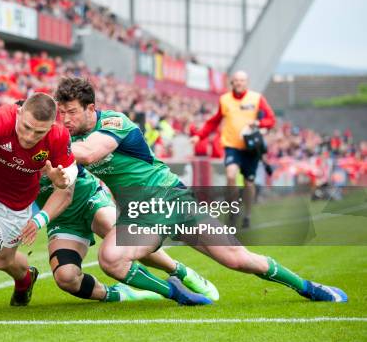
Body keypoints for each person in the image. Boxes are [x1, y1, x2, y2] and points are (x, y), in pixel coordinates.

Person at [55, 77, 347, 305]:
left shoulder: (113, 122)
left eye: (71, 112)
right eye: (61, 113)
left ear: (90, 108)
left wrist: (52, 144)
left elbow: (91, 153)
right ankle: (177, 290)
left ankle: (308, 287)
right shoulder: (73, 135)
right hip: (140, 213)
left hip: (169, 198)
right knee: (111, 259)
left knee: (237, 258)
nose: (65, 119)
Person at [0, 163, 219, 304]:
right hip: (62, 221)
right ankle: (127, 294)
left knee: (119, 235)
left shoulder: (54, 142)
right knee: (65, 278)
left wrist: (37, 221)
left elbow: (66, 192)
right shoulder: (3, 157)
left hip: (90, 200)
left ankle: (180, 272)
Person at [0, 93, 77, 308]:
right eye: (26, 127)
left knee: (1, 261)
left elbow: (67, 185)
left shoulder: (59, 136)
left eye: (39, 132)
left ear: (51, 126)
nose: (29, 137)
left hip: (15, 203)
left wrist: (63, 180)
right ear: (19, 113)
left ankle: (25, 281)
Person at [191, 71, 276, 228]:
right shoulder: (225, 100)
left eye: (242, 80)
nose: (239, 83)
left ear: (247, 82)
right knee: (230, 174)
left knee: (249, 183)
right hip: (232, 146)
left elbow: (271, 119)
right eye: (236, 80)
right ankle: (233, 209)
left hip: (250, 148)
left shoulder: (256, 98)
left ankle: (248, 215)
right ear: (232, 82)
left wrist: (258, 123)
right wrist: (199, 136)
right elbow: (213, 122)